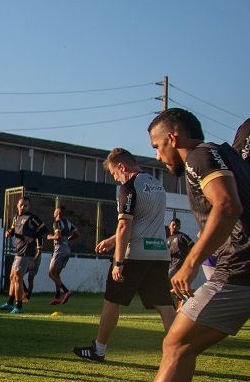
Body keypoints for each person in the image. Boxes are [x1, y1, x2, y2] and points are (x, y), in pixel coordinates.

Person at [88, 108, 250, 382]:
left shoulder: (199, 156)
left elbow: (227, 205)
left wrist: (190, 264)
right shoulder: (227, 155)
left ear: (172, 138)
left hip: (241, 269)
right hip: (233, 267)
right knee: (177, 339)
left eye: (158, 146)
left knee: (177, 345)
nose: (159, 157)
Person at [71, 148, 175, 363]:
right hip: (159, 254)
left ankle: (98, 350)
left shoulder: (129, 188)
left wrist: (118, 262)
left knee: (112, 300)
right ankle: (179, 350)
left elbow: (124, 227)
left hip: (134, 255)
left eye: (114, 174)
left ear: (121, 167)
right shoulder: (157, 185)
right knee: (165, 305)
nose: (116, 179)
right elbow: (144, 221)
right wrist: (112, 241)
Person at [0, 196, 43, 314]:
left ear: (29, 207)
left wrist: (32, 238)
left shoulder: (32, 218)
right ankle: (9, 303)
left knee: (18, 277)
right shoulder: (16, 217)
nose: (23, 207)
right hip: (19, 251)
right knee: (12, 277)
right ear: (17, 205)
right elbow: (13, 229)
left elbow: (43, 229)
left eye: (25, 205)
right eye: (21, 205)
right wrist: (10, 232)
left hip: (26, 252)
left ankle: (19, 306)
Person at [47, 205, 79, 304]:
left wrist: (50, 237)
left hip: (59, 249)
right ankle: (57, 297)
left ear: (57, 213)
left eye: (55, 211)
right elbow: (77, 234)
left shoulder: (56, 223)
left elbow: (57, 236)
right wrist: (68, 239)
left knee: (51, 273)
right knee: (57, 274)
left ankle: (66, 291)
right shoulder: (68, 222)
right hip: (67, 249)